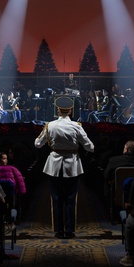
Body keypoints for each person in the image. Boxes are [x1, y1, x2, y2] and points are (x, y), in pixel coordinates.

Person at [34, 95, 94, 238]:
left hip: (54, 165)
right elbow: (90, 147)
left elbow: (37, 144)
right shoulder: (76, 126)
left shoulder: (50, 126)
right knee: (70, 199)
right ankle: (69, 230)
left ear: (58, 110)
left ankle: (58, 230)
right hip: (72, 165)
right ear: (71, 111)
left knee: (57, 198)